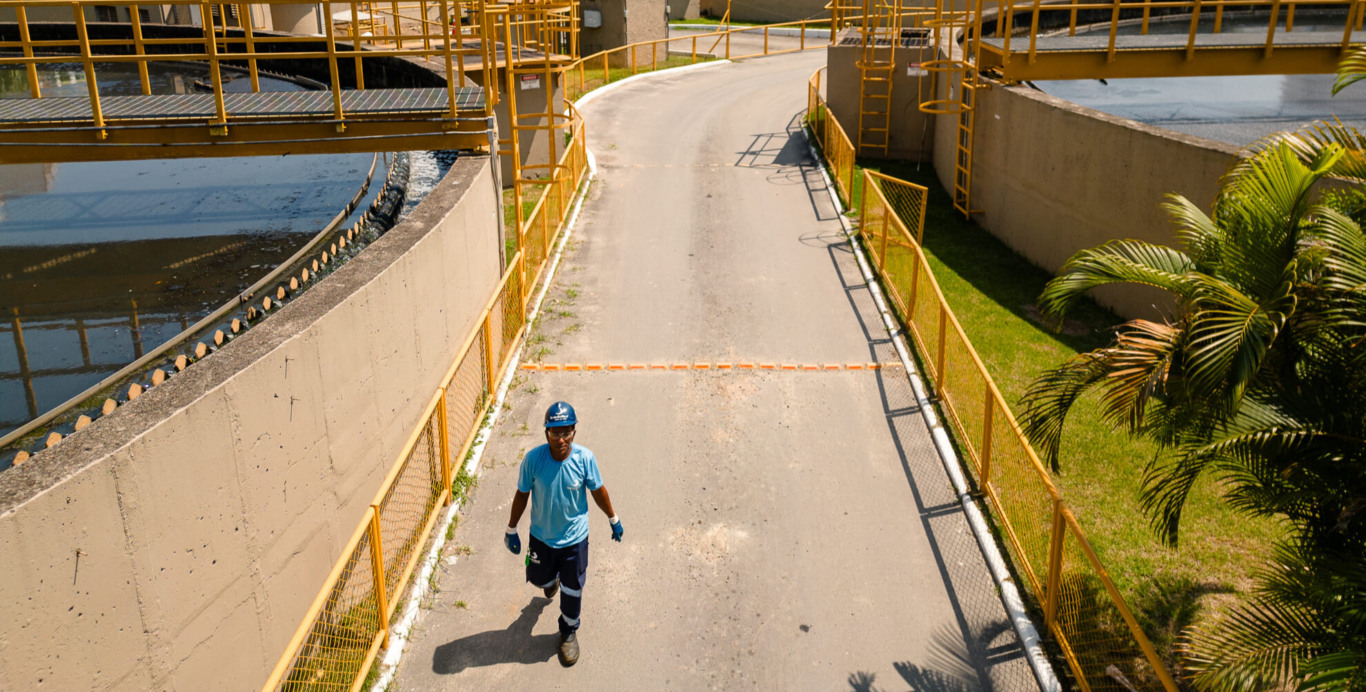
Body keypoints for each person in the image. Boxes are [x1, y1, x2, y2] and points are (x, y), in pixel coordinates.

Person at [504, 401, 623, 667]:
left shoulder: (584, 459)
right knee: (539, 579)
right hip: (542, 539)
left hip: (574, 541)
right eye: (555, 433)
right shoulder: (533, 460)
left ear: (574, 432)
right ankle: (549, 580)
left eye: (566, 432)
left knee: (573, 589)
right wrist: (511, 529)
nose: (561, 439)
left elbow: (598, 491)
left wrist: (613, 518)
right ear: (546, 433)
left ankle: (568, 633)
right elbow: (522, 494)